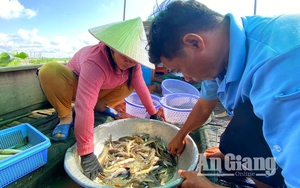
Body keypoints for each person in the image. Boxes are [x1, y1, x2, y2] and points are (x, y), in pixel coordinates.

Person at [147, 0, 300, 187]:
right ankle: (252, 167)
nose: (186, 78)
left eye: (179, 69)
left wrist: (209, 186)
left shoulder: (276, 68)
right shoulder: (220, 53)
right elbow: (204, 106)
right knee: (234, 139)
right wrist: (181, 135)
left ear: (194, 42)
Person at [37, 17, 161, 180]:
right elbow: (83, 107)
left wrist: (153, 114)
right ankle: (65, 117)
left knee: (132, 83)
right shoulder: (95, 60)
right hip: (75, 87)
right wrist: (87, 153)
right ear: (112, 47)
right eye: (125, 54)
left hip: (97, 91)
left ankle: (100, 106)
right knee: (49, 69)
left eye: (134, 57)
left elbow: (142, 88)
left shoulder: (132, 65)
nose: (129, 61)